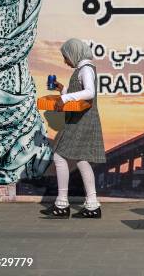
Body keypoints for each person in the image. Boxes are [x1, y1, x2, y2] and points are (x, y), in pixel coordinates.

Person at [40, 39, 106, 219]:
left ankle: (62, 204)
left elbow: (89, 92)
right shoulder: (83, 69)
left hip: (82, 120)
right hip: (81, 118)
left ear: (74, 53)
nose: (65, 61)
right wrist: (64, 91)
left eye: (66, 57)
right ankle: (92, 205)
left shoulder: (85, 69)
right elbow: (79, 92)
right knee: (81, 160)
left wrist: (66, 98)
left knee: (59, 155)